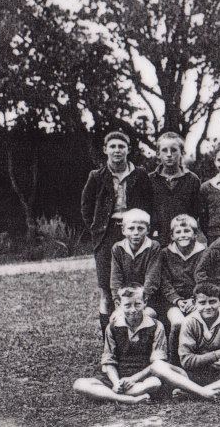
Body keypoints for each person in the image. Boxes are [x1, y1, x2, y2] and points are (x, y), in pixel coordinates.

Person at [81, 130, 153, 333]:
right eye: (112, 146)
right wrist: (98, 230)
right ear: (105, 150)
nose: (117, 150)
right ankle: (109, 340)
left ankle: (134, 335)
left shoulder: (140, 175)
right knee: (107, 288)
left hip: (134, 232)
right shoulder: (96, 176)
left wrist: (142, 229)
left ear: (128, 149)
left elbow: (149, 204)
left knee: (134, 286)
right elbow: (86, 207)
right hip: (107, 234)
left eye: (121, 146)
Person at [73, 284, 187, 404]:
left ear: (145, 302)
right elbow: (109, 360)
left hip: (144, 375)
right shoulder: (112, 327)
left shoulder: (156, 326)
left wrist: (133, 379)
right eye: (127, 305)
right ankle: (128, 399)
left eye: (137, 304)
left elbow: (157, 363)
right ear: (118, 305)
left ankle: (108, 394)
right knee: (79, 384)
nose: (133, 310)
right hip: (118, 374)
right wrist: (117, 382)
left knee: (155, 383)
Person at [160, 214, 206, 365]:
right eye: (178, 232)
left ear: (195, 234)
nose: (183, 235)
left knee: (198, 320)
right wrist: (177, 300)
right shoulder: (165, 254)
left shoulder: (204, 252)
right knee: (178, 322)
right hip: (174, 301)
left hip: (197, 299)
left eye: (187, 231)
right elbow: (165, 282)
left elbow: (205, 278)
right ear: (172, 236)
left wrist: (195, 299)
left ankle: (197, 360)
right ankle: (174, 361)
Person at [149, 132, 200, 247]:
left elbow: (195, 213)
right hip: (157, 240)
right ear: (158, 154)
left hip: (183, 240)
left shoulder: (192, 180)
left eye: (174, 150)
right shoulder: (150, 180)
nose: (169, 154)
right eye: (164, 150)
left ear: (182, 152)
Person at [109, 209, 162, 311]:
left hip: (148, 299)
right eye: (131, 228)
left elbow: (152, 278)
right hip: (126, 298)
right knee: (116, 320)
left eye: (140, 228)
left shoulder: (153, 247)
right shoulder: (118, 248)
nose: (136, 232)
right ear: (123, 230)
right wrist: (118, 300)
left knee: (148, 315)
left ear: (148, 230)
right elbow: (115, 278)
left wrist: (143, 299)